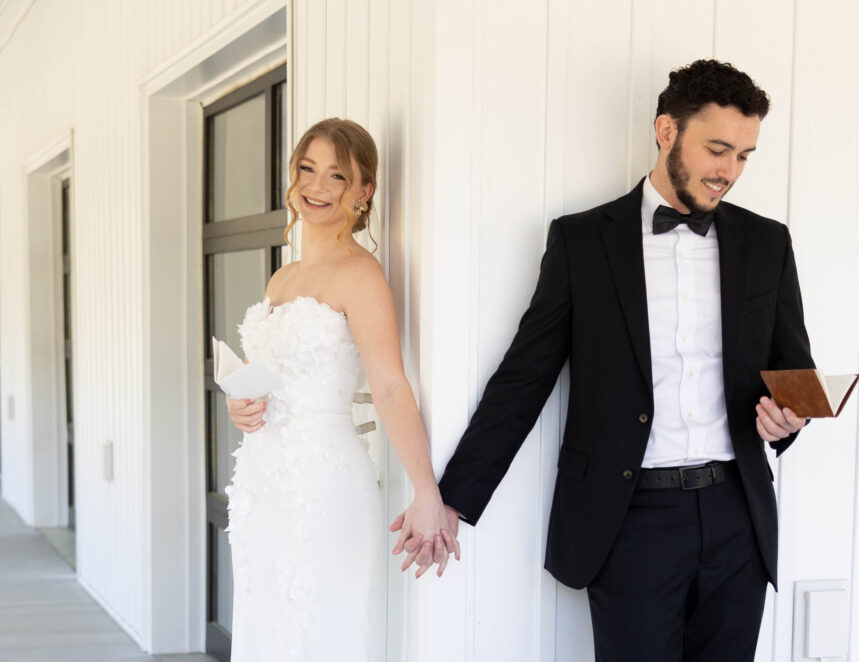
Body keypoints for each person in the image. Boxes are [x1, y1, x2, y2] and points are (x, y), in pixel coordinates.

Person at [396, 59, 816, 660]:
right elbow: (524, 377)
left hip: (738, 516)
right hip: (632, 517)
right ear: (666, 131)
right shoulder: (583, 242)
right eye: (717, 149)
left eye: (744, 155)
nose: (729, 171)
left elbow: (793, 371)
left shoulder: (767, 242)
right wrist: (451, 498)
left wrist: (789, 419)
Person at [224, 118, 457, 661]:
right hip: (263, 484)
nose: (317, 187)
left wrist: (427, 493)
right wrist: (244, 404)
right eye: (308, 169)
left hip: (324, 484)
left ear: (363, 191)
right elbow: (268, 377)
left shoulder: (362, 276)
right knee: (267, 623)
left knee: (321, 629)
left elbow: (391, 386)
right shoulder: (281, 279)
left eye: (336, 175)